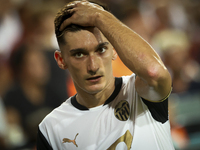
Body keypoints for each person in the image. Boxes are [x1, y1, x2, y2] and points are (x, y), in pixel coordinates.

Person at [37, 0, 174, 149]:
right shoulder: (51, 129)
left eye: (101, 50)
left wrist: (99, 16)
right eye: (79, 54)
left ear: (115, 49)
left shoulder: (141, 92)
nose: (93, 66)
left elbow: (153, 72)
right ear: (61, 60)